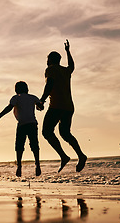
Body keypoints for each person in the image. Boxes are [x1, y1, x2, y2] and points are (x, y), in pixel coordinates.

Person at [40, 39, 87, 173]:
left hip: (56, 106)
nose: (46, 61)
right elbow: (72, 66)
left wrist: (42, 100)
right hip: (69, 107)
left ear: (50, 60)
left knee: (46, 132)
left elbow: (49, 84)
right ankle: (81, 155)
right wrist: (68, 51)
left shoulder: (50, 69)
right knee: (65, 133)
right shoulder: (65, 71)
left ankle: (63, 156)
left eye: (47, 59)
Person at [0, 81, 44, 177]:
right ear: (27, 89)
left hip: (22, 125)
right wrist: (40, 104)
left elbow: (9, 108)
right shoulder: (32, 97)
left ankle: (19, 166)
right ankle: (37, 164)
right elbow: (41, 107)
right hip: (32, 124)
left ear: (16, 90)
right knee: (34, 144)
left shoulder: (16, 98)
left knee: (19, 146)